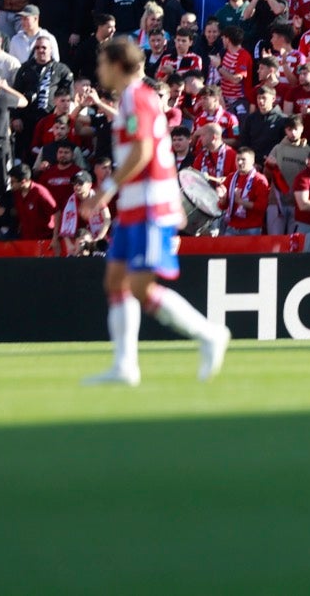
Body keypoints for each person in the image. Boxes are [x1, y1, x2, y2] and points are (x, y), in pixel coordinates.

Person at [79, 39, 229, 387]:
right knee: (116, 281)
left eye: (102, 63)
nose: (99, 70)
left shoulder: (138, 97)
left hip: (149, 203)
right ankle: (124, 366)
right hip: (137, 203)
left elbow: (144, 150)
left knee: (140, 287)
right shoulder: (131, 99)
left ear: (116, 65)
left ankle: (209, 334)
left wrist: (105, 190)